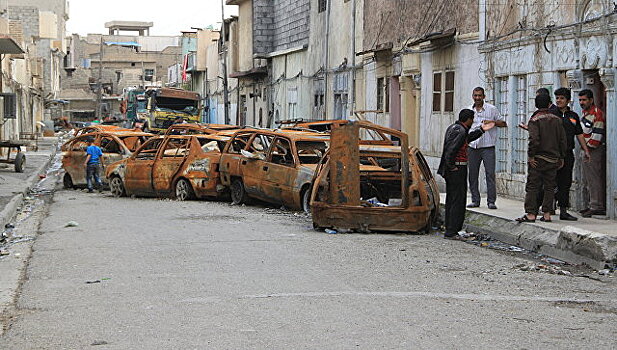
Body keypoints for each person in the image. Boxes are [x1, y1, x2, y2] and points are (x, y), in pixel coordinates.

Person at [438, 109, 495, 239]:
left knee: (452, 199)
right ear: (468, 119)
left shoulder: (454, 128)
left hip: (452, 169)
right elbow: (451, 150)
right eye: (472, 119)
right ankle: (452, 230)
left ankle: (450, 228)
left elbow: (466, 139)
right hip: (457, 169)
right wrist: (452, 166)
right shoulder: (461, 130)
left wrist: (481, 130)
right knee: (458, 200)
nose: (472, 121)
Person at [516, 94, 567, 223]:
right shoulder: (557, 120)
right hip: (553, 158)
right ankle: (547, 213)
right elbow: (562, 140)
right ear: (549, 104)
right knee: (550, 186)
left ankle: (531, 213)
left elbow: (534, 140)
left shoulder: (535, 120)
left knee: (533, 186)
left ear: (536, 104)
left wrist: (531, 155)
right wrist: (561, 157)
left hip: (538, 159)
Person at [552, 88, 591, 220]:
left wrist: (585, 150)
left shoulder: (573, 116)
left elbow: (579, 134)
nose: (559, 101)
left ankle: (563, 210)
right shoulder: (551, 114)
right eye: (557, 98)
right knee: (550, 181)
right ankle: (548, 209)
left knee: (565, 182)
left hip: (567, 153)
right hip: (552, 154)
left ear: (568, 100)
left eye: (562, 98)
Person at [467, 87, 507, 210]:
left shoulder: (492, 109)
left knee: (490, 174)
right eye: (475, 95)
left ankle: (491, 201)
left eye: (480, 95)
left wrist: (493, 122)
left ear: (484, 96)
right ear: (473, 96)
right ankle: (475, 200)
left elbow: (504, 123)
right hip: (472, 146)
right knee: (472, 174)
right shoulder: (468, 110)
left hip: (488, 147)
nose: (477, 98)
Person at [579, 89, 606, 217]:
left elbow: (597, 136)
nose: (582, 102)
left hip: (593, 150)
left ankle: (597, 206)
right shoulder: (585, 113)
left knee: (594, 178)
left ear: (591, 100)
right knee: (588, 179)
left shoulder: (597, 114)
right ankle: (591, 204)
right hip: (586, 149)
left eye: (584, 100)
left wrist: (587, 149)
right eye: (580, 100)